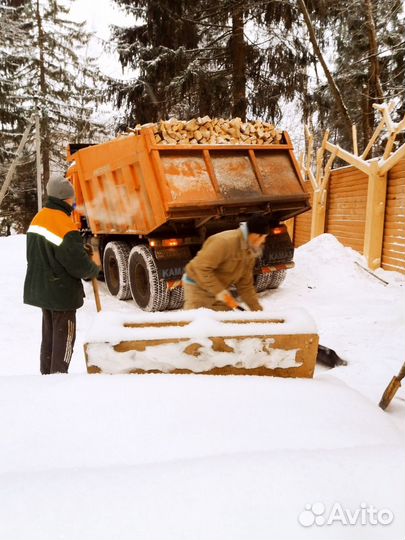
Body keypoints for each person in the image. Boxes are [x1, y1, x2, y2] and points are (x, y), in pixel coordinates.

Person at [23, 178, 100, 374]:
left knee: (49, 337)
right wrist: (92, 269)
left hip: (44, 290)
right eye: (72, 199)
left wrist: (77, 248)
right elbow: (77, 264)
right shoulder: (63, 224)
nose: (74, 203)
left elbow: (50, 250)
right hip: (61, 293)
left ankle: (47, 375)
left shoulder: (40, 217)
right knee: (64, 339)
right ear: (65, 198)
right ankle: (58, 378)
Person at [183, 214, 270, 311]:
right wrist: (220, 292)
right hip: (198, 288)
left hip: (219, 290)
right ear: (256, 235)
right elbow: (200, 268)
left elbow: (245, 286)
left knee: (227, 321)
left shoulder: (249, 253)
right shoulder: (225, 242)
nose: (263, 241)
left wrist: (257, 310)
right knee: (206, 323)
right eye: (263, 237)